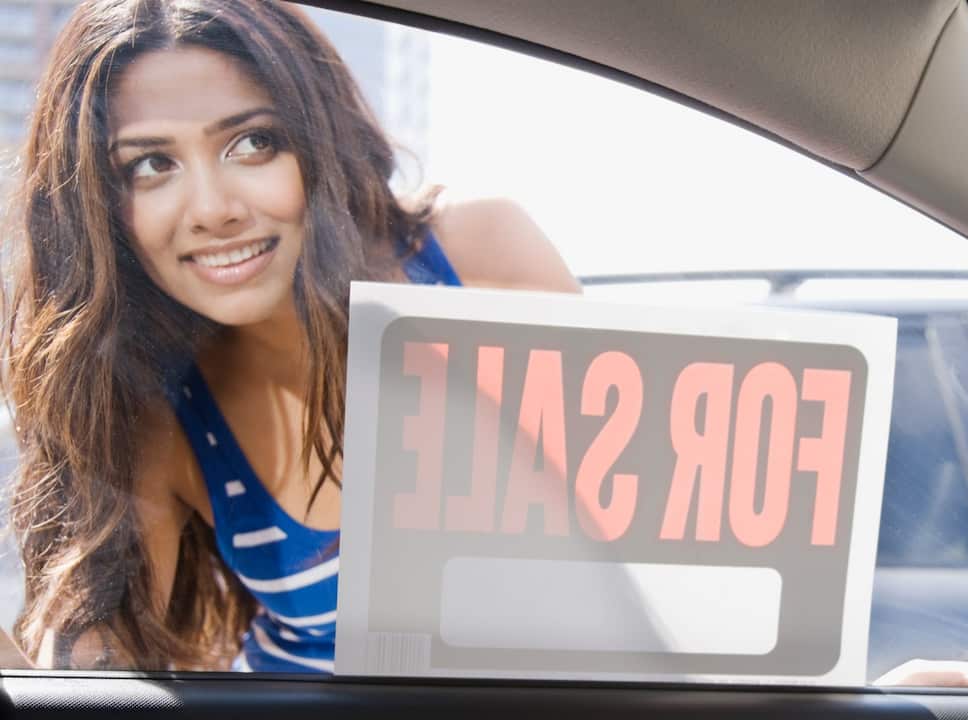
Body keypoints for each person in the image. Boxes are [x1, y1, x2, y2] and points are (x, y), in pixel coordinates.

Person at [1, 0, 576, 672]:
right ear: (103, 209)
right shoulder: (164, 409)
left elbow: (651, 538)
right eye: (150, 165)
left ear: (318, 140)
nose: (214, 211)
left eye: (253, 143)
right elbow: (94, 667)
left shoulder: (477, 254)